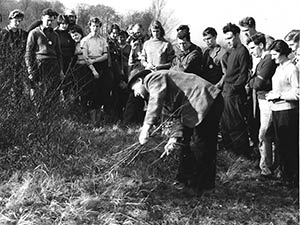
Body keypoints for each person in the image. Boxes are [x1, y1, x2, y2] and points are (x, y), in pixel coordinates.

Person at [128, 69, 223, 194]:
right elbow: (175, 116)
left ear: (140, 80)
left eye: (134, 89)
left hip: (206, 101)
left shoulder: (152, 78)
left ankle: (198, 187)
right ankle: (189, 182)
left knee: (200, 146)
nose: (135, 94)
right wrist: (173, 139)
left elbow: (155, 100)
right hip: (202, 104)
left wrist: (146, 128)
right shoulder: (166, 88)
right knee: (190, 144)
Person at [266, 40, 299, 187]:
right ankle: (284, 176)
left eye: (275, 54)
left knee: (289, 145)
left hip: (287, 111)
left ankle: (292, 178)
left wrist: (279, 96)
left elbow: (297, 93)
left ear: (283, 53)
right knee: (280, 144)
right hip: (277, 110)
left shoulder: (292, 69)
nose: (273, 58)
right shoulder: (279, 68)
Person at [247, 33, 277, 178]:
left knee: (264, 133)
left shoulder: (269, 60)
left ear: (260, 45)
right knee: (265, 133)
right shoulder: (262, 60)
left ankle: (266, 167)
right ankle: (267, 165)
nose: (251, 51)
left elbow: (257, 83)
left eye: (253, 48)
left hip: (267, 100)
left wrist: (252, 82)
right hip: (261, 99)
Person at [220, 23, 252, 159]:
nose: (228, 41)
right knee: (226, 124)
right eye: (226, 38)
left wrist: (233, 89)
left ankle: (243, 155)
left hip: (235, 94)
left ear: (237, 35)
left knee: (236, 125)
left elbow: (243, 75)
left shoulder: (242, 51)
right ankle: (231, 154)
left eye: (230, 38)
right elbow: (227, 69)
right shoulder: (231, 51)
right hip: (226, 92)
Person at [25, 8, 64, 116]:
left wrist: (61, 70)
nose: (50, 22)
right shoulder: (34, 33)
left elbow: (59, 54)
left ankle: (51, 118)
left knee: (53, 92)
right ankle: (39, 118)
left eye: (52, 20)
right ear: (42, 18)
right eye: (48, 20)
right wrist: (30, 70)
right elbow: (28, 53)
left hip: (54, 65)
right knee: (40, 92)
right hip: (40, 65)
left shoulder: (55, 35)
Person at [80, 17, 113, 125]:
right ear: (90, 26)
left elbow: (105, 55)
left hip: (100, 65)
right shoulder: (85, 40)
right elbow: (85, 58)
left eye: (97, 26)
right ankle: (92, 121)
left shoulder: (102, 40)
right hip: (88, 69)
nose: (95, 28)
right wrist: (93, 70)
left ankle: (98, 121)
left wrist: (95, 60)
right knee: (91, 94)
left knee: (101, 92)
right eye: (93, 26)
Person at [0, 9, 28, 100]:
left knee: (18, 90)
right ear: (10, 19)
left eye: (19, 21)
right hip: (5, 65)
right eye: (16, 21)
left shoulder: (23, 34)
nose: (17, 23)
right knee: (5, 89)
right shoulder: (3, 33)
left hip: (19, 66)